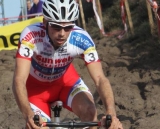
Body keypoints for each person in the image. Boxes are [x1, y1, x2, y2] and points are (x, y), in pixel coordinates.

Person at [12, 0, 123, 129]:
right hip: (36, 91)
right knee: (37, 126)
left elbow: (100, 79)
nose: (62, 33)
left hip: (65, 83)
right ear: (45, 22)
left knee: (90, 112)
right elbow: (19, 79)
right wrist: (28, 114)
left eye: (68, 27)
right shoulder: (31, 35)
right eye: (56, 27)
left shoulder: (81, 39)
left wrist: (111, 113)